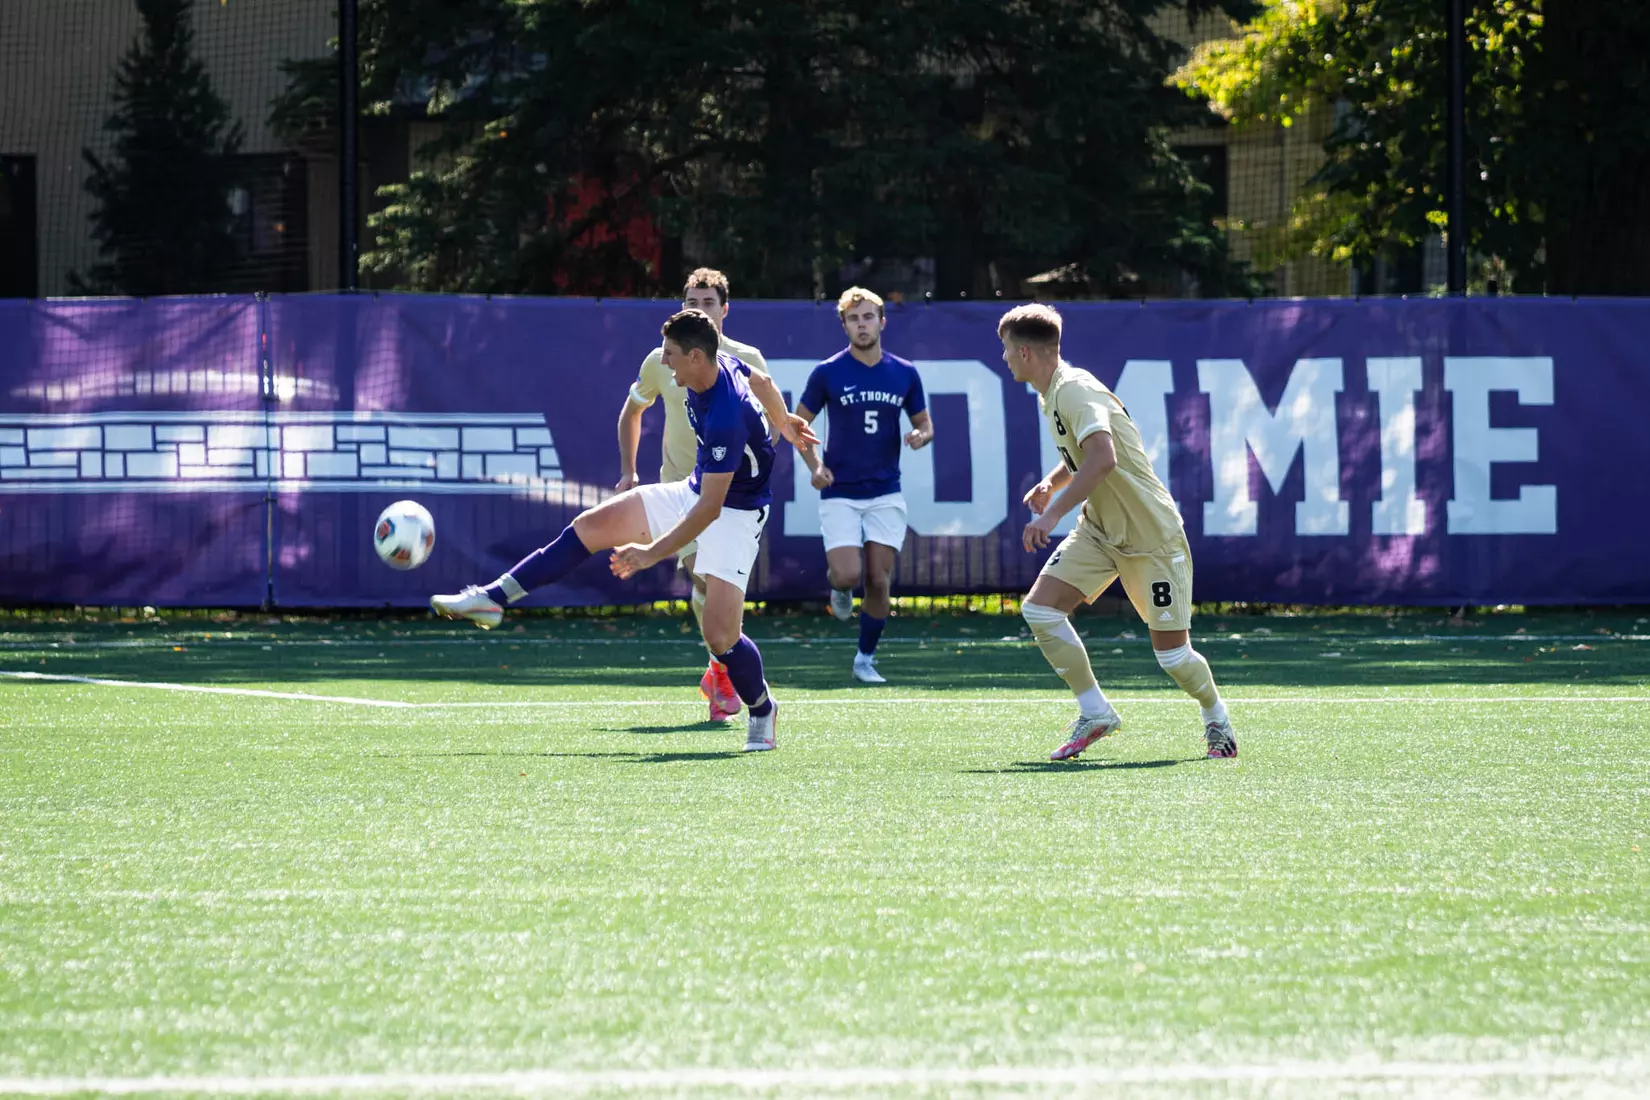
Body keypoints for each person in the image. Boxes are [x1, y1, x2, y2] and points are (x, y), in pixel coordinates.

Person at [431, 309, 816, 753]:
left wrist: (650, 553)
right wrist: (783, 419)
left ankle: (763, 709)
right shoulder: (721, 362)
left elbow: (711, 510)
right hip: (698, 491)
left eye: (671, 355)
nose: (665, 362)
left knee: (720, 635)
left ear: (695, 356)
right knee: (590, 526)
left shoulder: (725, 415)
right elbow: (764, 383)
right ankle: (493, 598)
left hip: (736, 511)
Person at [998, 303, 1237, 761]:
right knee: (1041, 611)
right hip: (1100, 530)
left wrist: (1049, 517)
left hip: (1151, 537)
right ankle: (1095, 712)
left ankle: (1215, 715)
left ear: (1025, 352)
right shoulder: (1050, 392)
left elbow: (1105, 459)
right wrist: (1053, 482)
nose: (1005, 359)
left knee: (1173, 659)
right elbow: (1086, 454)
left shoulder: (1073, 390)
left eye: (1007, 350)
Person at [617, 268, 770, 723]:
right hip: (684, 490)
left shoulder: (746, 359)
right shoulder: (662, 360)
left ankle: (724, 664)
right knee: (703, 581)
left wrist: (775, 442)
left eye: (707, 302)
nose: (698, 309)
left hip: (736, 497)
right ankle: (724, 667)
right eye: (690, 301)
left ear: (725, 309)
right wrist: (629, 472)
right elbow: (632, 411)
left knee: (720, 594)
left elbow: (765, 413)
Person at [795, 287, 933, 684]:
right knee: (847, 575)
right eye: (854, 318)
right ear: (844, 325)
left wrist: (920, 437)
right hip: (839, 491)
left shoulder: (904, 372)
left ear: (882, 321)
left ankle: (865, 659)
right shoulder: (827, 372)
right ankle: (837, 591)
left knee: (878, 579)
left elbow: (925, 424)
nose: (862, 324)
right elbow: (798, 427)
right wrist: (814, 465)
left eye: (868, 317)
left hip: (886, 492)